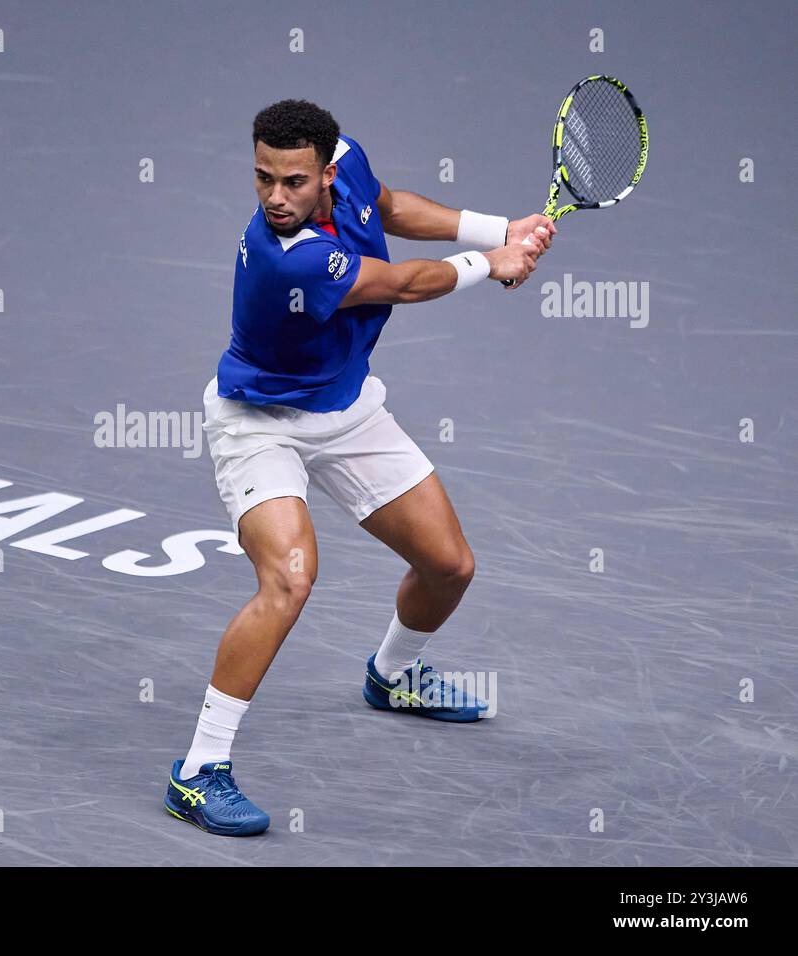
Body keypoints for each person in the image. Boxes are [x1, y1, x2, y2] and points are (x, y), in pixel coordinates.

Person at [164, 99, 554, 836]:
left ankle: (395, 676)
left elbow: (394, 206)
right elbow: (403, 283)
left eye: (293, 181)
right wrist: (491, 263)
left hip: (344, 409)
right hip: (260, 423)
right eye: (262, 180)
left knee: (449, 567)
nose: (275, 197)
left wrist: (499, 229)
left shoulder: (349, 162)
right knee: (290, 577)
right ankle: (198, 770)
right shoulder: (290, 256)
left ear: (325, 167)